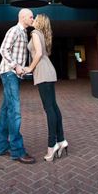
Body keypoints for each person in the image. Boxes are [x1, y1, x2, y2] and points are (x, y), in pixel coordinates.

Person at [24, 14, 68, 162]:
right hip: (48, 70)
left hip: (43, 72)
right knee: (53, 107)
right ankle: (61, 140)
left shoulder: (35, 33)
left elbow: (39, 53)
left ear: (40, 22)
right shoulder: (42, 34)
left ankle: (52, 146)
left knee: (49, 109)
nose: (33, 19)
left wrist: (29, 68)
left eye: (35, 18)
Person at [0, 9, 35, 164]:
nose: (33, 18)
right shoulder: (14, 30)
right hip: (9, 73)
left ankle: (1, 147)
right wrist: (16, 66)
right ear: (23, 17)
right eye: (31, 16)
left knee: (6, 111)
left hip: (15, 75)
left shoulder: (24, 33)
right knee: (15, 112)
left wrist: (24, 69)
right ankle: (17, 151)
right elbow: (3, 49)